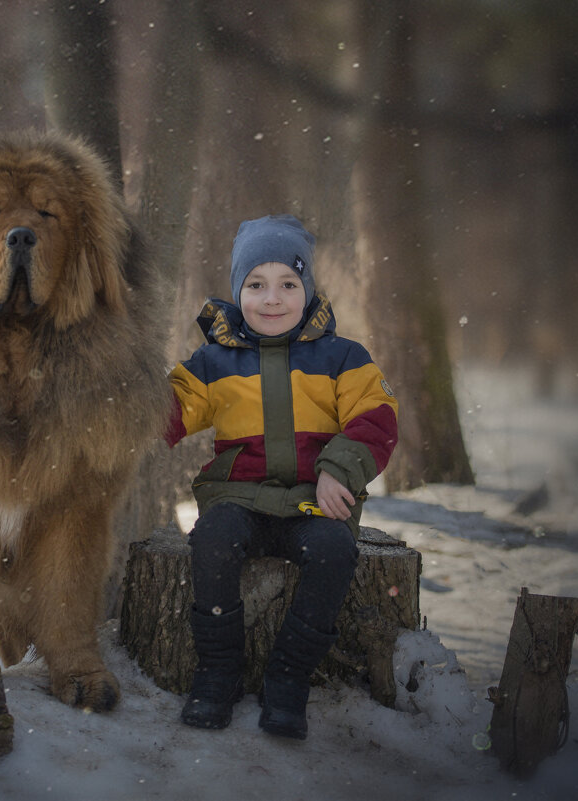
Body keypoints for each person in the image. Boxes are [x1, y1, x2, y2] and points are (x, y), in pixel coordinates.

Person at [164, 214, 398, 739]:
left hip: (311, 503)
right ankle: (218, 672)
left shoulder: (342, 357)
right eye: (256, 285)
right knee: (212, 541)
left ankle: (289, 677)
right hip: (238, 498)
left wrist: (339, 471)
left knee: (335, 552)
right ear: (237, 290)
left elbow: (376, 417)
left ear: (307, 290)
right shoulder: (214, 360)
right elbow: (163, 411)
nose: (272, 299)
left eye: (288, 284)